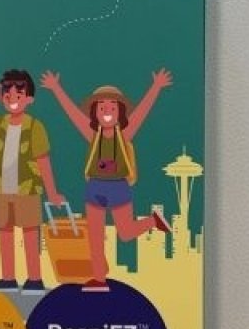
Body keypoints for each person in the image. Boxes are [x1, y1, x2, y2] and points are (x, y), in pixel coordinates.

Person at [41, 68, 173, 292]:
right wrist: (56, 88)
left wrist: (156, 87)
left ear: (120, 112)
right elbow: (72, 113)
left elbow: (141, 112)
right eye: (102, 108)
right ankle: (99, 278)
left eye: (112, 107)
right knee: (94, 237)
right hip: (95, 187)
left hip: (119, 187)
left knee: (126, 232)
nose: (107, 111)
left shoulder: (125, 134)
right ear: (95, 113)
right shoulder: (93, 135)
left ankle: (153, 221)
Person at [0, 68, 65, 291]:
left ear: (29, 99)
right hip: (2, 189)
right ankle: (8, 278)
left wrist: (52, 193)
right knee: (5, 233)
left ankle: (34, 279)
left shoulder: (35, 126)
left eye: (18, 95)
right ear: (2, 98)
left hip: (28, 189)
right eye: (7, 95)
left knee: (30, 233)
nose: (12, 100)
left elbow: (43, 161)